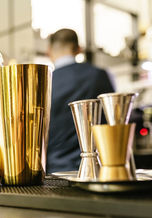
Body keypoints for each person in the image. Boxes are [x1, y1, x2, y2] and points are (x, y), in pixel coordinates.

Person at [46, 28, 115, 173]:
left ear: (49, 52)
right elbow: (113, 120)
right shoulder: (99, 75)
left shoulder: (44, 83)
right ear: (78, 49)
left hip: (56, 169)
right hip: (99, 168)